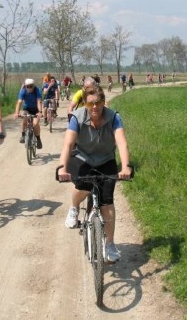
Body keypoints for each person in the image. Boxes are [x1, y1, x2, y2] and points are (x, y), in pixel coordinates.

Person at [57, 84, 132, 263]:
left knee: (107, 202)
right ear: (85, 104)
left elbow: (122, 143)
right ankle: (74, 208)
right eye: (90, 104)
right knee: (83, 186)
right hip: (83, 158)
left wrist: (126, 167)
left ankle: (111, 244)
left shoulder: (114, 117)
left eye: (98, 102)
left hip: (106, 160)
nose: (95, 107)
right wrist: (62, 168)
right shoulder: (77, 117)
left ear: (104, 102)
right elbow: (68, 144)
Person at [14, 78, 43, 149]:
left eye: (31, 86)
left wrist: (40, 112)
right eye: (28, 86)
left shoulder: (37, 90)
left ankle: (38, 139)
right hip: (27, 108)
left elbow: (39, 101)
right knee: (25, 119)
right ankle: (23, 135)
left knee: (35, 124)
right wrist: (16, 113)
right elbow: (19, 102)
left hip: (36, 109)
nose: (29, 88)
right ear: (25, 86)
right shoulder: (23, 91)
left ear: (34, 85)